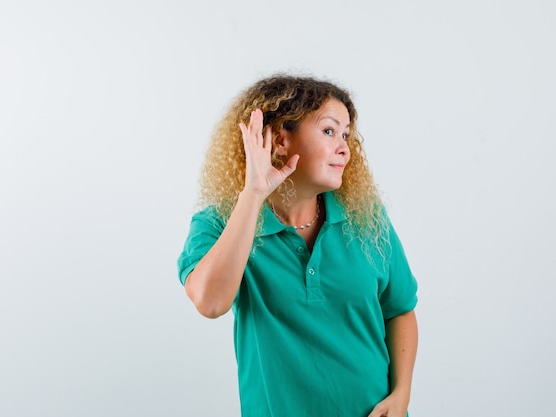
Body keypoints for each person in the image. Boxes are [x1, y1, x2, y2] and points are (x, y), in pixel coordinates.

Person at [177, 74, 418, 417]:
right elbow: (211, 302)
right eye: (329, 131)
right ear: (278, 140)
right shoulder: (219, 223)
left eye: (346, 134)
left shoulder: (366, 218)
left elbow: (399, 309)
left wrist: (402, 394)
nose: (344, 147)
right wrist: (253, 194)